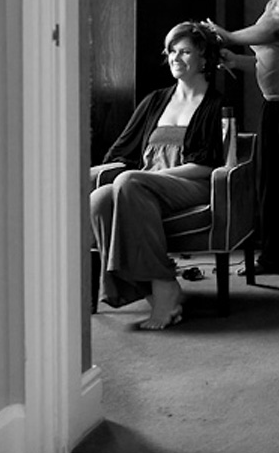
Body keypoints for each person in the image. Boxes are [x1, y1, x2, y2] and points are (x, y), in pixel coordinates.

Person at [90, 21, 224, 330]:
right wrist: (133, 176)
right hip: (142, 187)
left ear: (204, 58)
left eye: (185, 51)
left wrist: (149, 178)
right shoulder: (155, 101)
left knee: (129, 182)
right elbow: (123, 151)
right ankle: (150, 291)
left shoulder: (215, 105)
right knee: (99, 199)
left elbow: (208, 165)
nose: (176, 58)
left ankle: (164, 283)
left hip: (192, 185)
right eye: (172, 52)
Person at [203, 0, 279, 279]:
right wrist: (234, 58)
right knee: (271, 186)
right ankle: (277, 257)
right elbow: (267, 60)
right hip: (275, 107)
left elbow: (277, 30)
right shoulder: (270, 4)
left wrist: (228, 35)